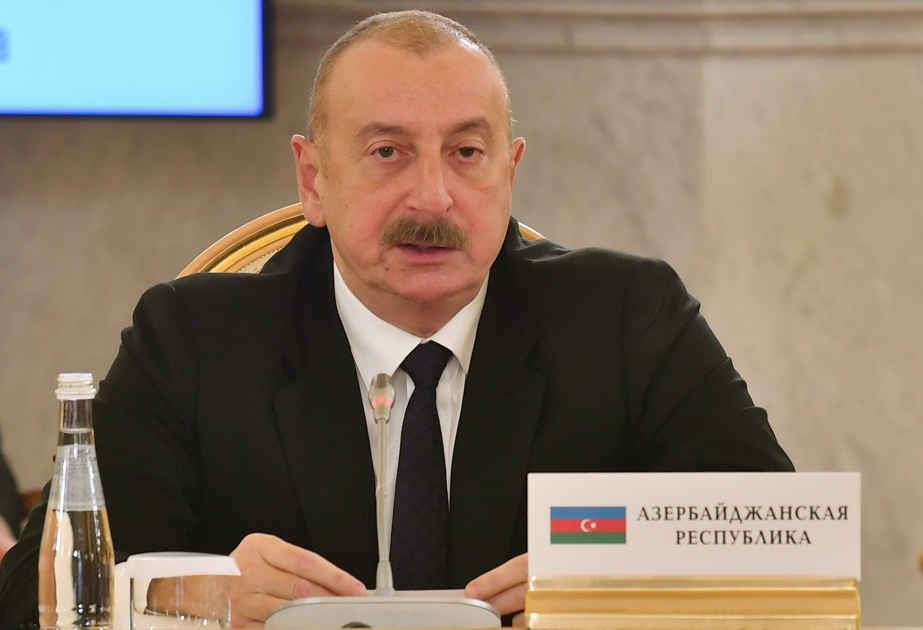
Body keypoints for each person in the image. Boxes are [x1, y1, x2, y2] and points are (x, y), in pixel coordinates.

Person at [0, 10, 793, 628]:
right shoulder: (194, 342)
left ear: (509, 171)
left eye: (466, 153)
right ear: (314, 179)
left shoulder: (625, 319)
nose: (433, 198)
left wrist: (614, 581)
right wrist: (187, 596)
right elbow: (31, 599)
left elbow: (783, 551)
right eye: (387, 152)